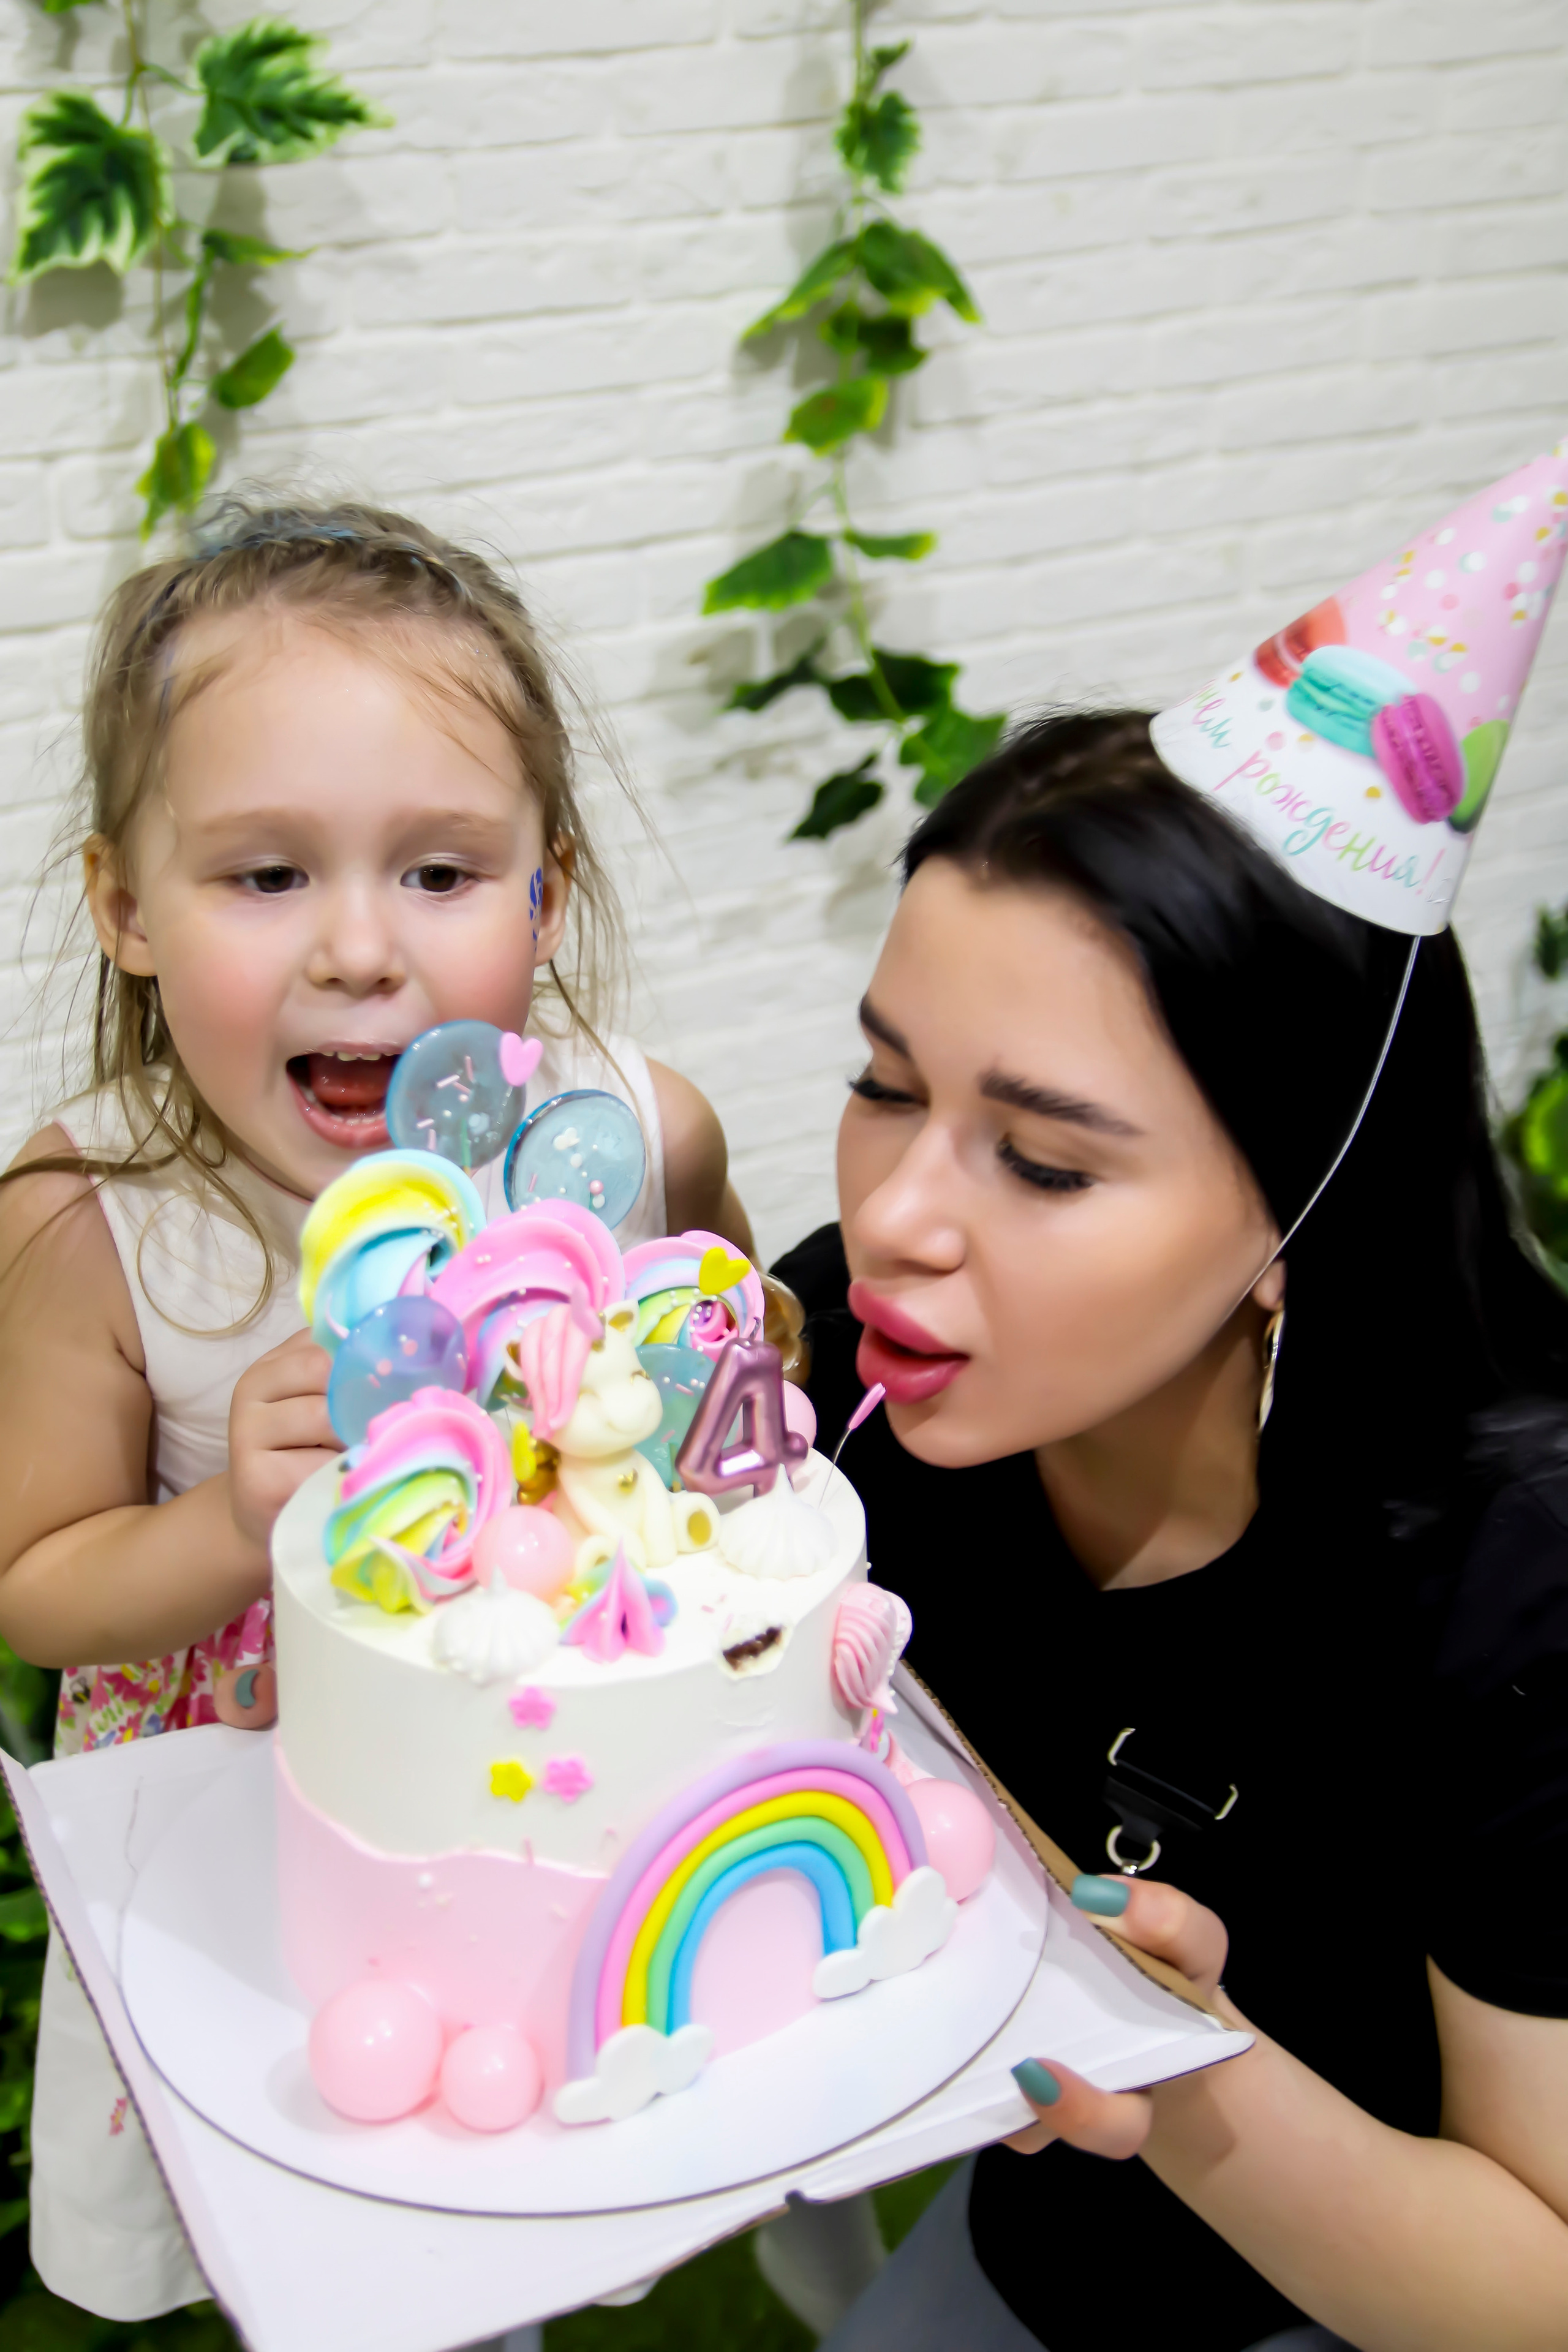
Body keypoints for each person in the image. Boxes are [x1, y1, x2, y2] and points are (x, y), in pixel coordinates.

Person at [0, 499, 753, 2324]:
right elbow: (32, 1580)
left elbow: (738, 1357)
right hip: (250, 1830)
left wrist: (719, 1356)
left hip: (560, 1791)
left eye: (440, 872)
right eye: (267, 877)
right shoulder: (98, 1221)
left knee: (526, 2171)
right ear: (126, 909)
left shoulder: (632, 1135)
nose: (360, 949)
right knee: (303, 2222)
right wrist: (216, 1529)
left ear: (545, 892)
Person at [777, 710, 1568, 2351]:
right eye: (883, 1083)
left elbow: (1538, 2284)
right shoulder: (867, 1360)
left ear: (1304, 1212)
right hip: (1042, 2237)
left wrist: (1160, 2052)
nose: (894, 1218)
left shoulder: (1521, 1587)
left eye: (1046, 1162)